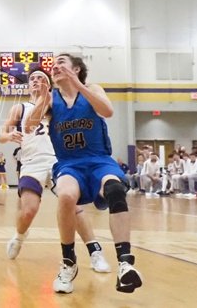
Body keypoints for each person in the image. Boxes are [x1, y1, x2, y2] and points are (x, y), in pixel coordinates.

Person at [26, 53, 142, 294]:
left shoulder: (93, 89)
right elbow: (29, 125)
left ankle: (125, 264)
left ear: (76, 68)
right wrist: (42, 99)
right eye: (53, 65)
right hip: (70, 164)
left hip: (99, 161)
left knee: (115, 190)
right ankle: (68, 262)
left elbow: (107, 111)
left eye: (61, 62)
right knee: (66, 196)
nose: (55, 67)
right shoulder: (52, 99)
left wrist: (78, 85)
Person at [0, 69, 110, 275]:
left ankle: (95, 251)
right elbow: (1, 134)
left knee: (74, 206)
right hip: (31, 163)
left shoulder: (58, 106)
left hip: (58, 161)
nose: (36, 81)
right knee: (29, 210)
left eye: (40, 78)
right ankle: (20, 236)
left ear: (49, 85)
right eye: (32, 78)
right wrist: (8, 136)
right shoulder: (20, 108)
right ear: (28, 85)